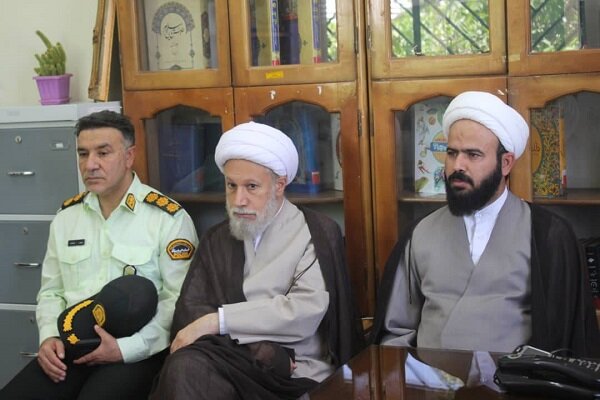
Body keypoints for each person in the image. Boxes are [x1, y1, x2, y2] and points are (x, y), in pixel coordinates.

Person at [370, 91, 600, 358]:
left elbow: (569, 339)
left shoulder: (548, 235)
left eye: (473, 154)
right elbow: (395, 333)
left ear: (506, 163)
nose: (458, 166)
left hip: (517, 382)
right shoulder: (420, 233)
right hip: (430, 380)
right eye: (452, 153)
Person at [149, 121, 364, 400]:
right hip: (234, 361)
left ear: (279, 185)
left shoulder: (316, 232)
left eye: (251, 187)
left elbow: (303, 311)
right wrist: (260, 350)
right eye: (231, 186)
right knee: (185, 369)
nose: (239, 200)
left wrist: (219, 321)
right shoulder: (217, 238)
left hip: (297, 371)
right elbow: (191, 311)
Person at [0, 110, 199, 399]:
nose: (90, 164)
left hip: (138, 350)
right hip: (73, 345)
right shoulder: (67, 217)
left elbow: (178, 302)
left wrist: (125, 349)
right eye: (83, 154)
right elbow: (52, 291)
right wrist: (49, 337)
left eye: (103, 153)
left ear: (129, 156)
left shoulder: (167, 219)